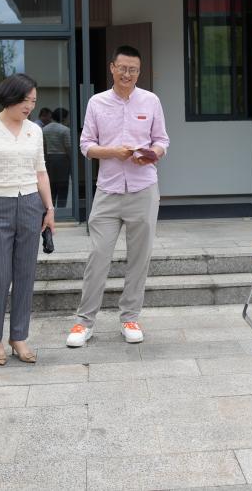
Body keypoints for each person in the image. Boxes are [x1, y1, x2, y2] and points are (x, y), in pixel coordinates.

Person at [67, 45, 169, 347]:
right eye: (122, 68)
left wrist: (152, 154)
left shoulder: (151, 100)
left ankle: (130, 318)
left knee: (139, 258)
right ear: (112, 67)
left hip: (143, 189)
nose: (127, 74)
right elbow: (86, 145)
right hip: (108, 190)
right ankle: (84, 321)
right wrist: (113, 152)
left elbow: (162, 140)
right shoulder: (97, 103)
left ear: (139, 71)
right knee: (98, 256)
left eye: (133, 70)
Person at [0, 74, 56, 366]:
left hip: (30, 205)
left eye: (33, 101)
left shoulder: (35, 131)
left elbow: (41, 172)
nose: (29, 106)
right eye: (25, 100)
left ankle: (19, 337)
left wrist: (49, 208)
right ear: (10, 97)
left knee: (26, 275)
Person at [43, 107, 72, 208]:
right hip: (62, 159)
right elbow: (68, 147)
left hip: (49, 159)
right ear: (63, 118)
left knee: (51, 186)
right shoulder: (65, 130)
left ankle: (50, 209)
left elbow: (43, 146)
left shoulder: (44, 129)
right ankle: (61, 209)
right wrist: (72, 160)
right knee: (63, 186)